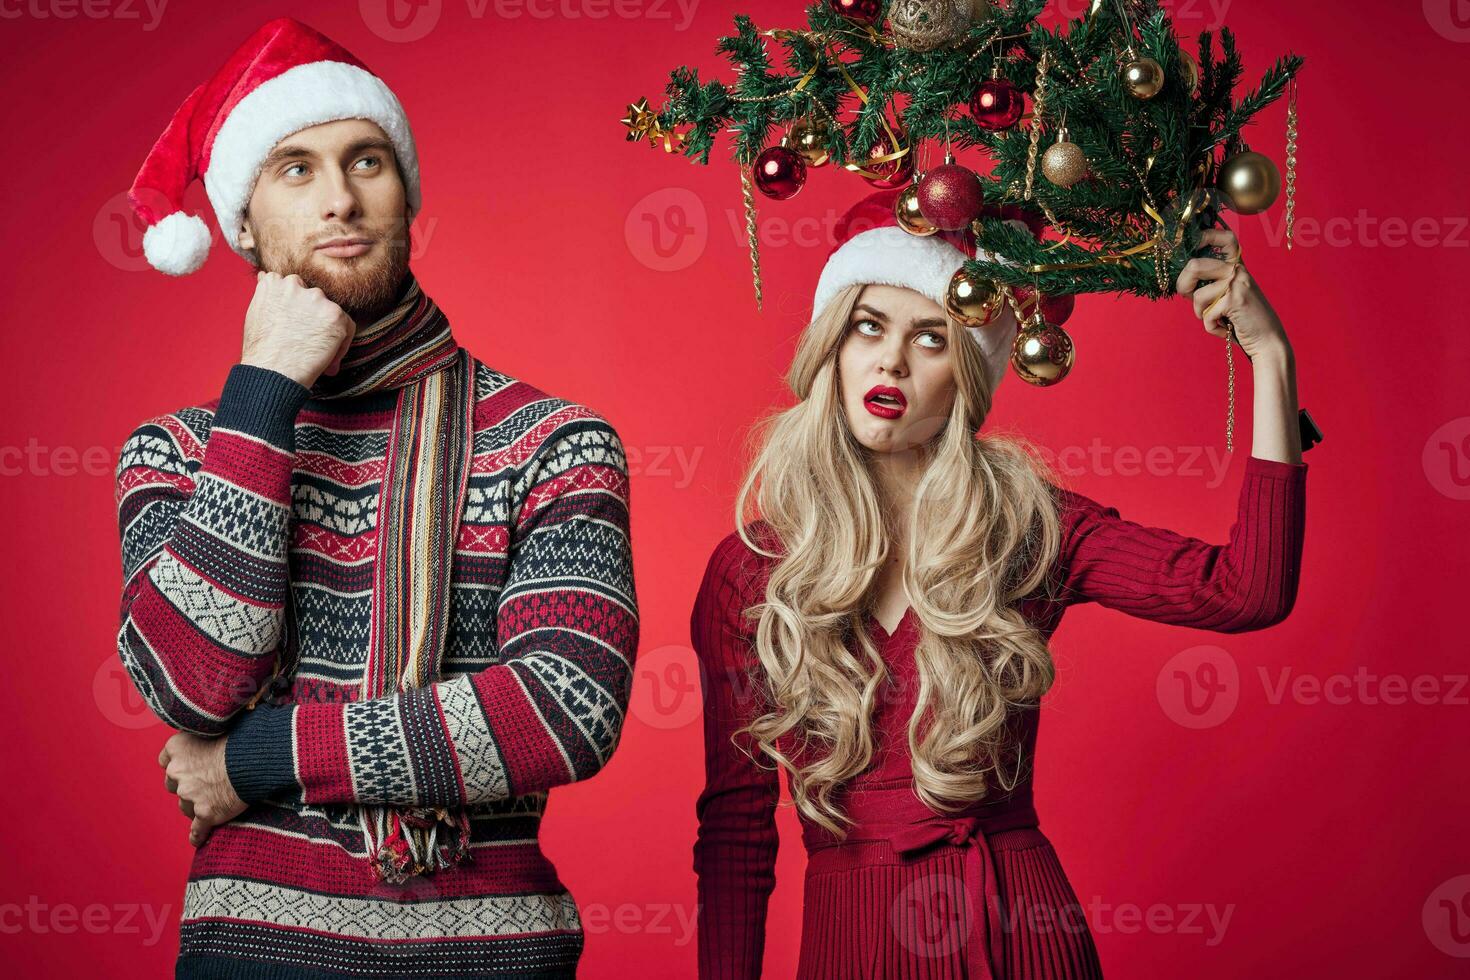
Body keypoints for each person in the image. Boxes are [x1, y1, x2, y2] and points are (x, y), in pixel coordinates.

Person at [114, 18, 637, 978]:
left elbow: (563, 711)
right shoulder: (180, 453)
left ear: (406, 193)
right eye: (296, 170)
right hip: (254, 953)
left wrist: (258, 756)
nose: (342, 199)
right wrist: (264, 388)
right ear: (243, 221)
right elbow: (189, 682)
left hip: (493, 955)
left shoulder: (556, 442)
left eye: (367, 160)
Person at [689, 189, 1306, 978]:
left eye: (931, 339)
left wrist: (1270, 358)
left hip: (1017, 930)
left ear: (968, 375)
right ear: (831, 349)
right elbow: (736, 831)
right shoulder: (751, 571)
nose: (891, 362)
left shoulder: (1024, 524)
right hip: (854, 946)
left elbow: (1244, 590)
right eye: (867, 327)